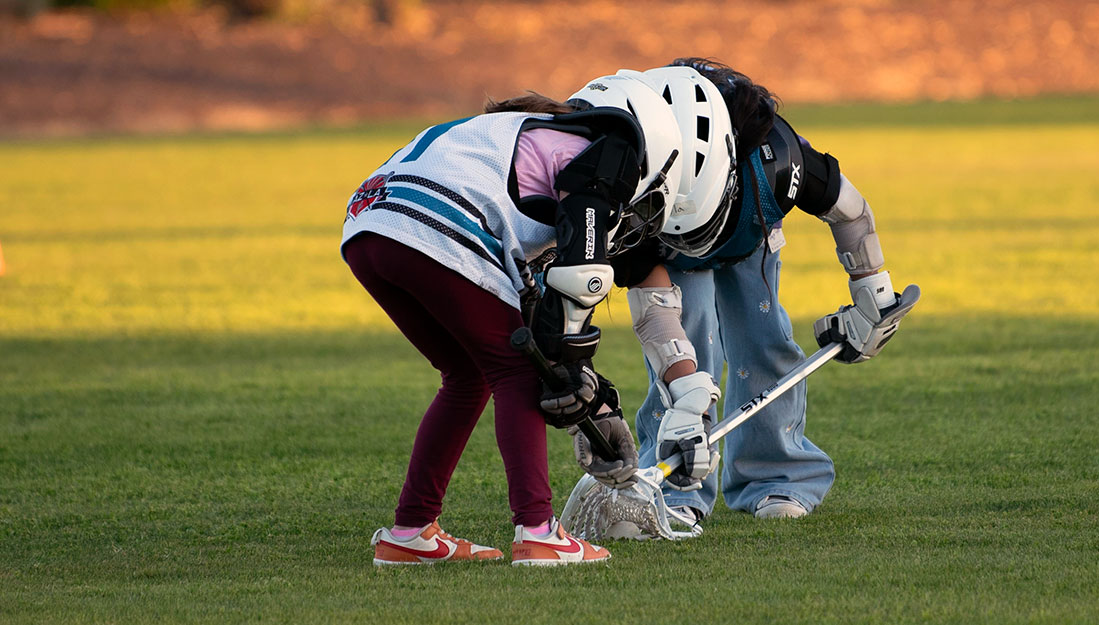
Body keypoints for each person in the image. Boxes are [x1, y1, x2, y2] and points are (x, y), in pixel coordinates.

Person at [341, 72, 685, 566]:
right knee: (515, 371)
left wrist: (594, 407)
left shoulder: (506, 137)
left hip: (366, 228)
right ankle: (538, 531)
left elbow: (538, 319)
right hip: (431, 223)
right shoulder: (593, 149)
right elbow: (565, 299)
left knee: (467, 375)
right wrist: (589, 399)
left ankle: (410, 531)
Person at [611, 59, 918, 529]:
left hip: (748, 227)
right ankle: (672, 486)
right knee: (686, 351)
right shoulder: (633, 185)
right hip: (663, 246)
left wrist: (872, 293)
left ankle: (778, 476)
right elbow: (657, 317)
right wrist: (687, 397)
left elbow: (852, 214)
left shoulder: (780, 158)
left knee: (764, 341)